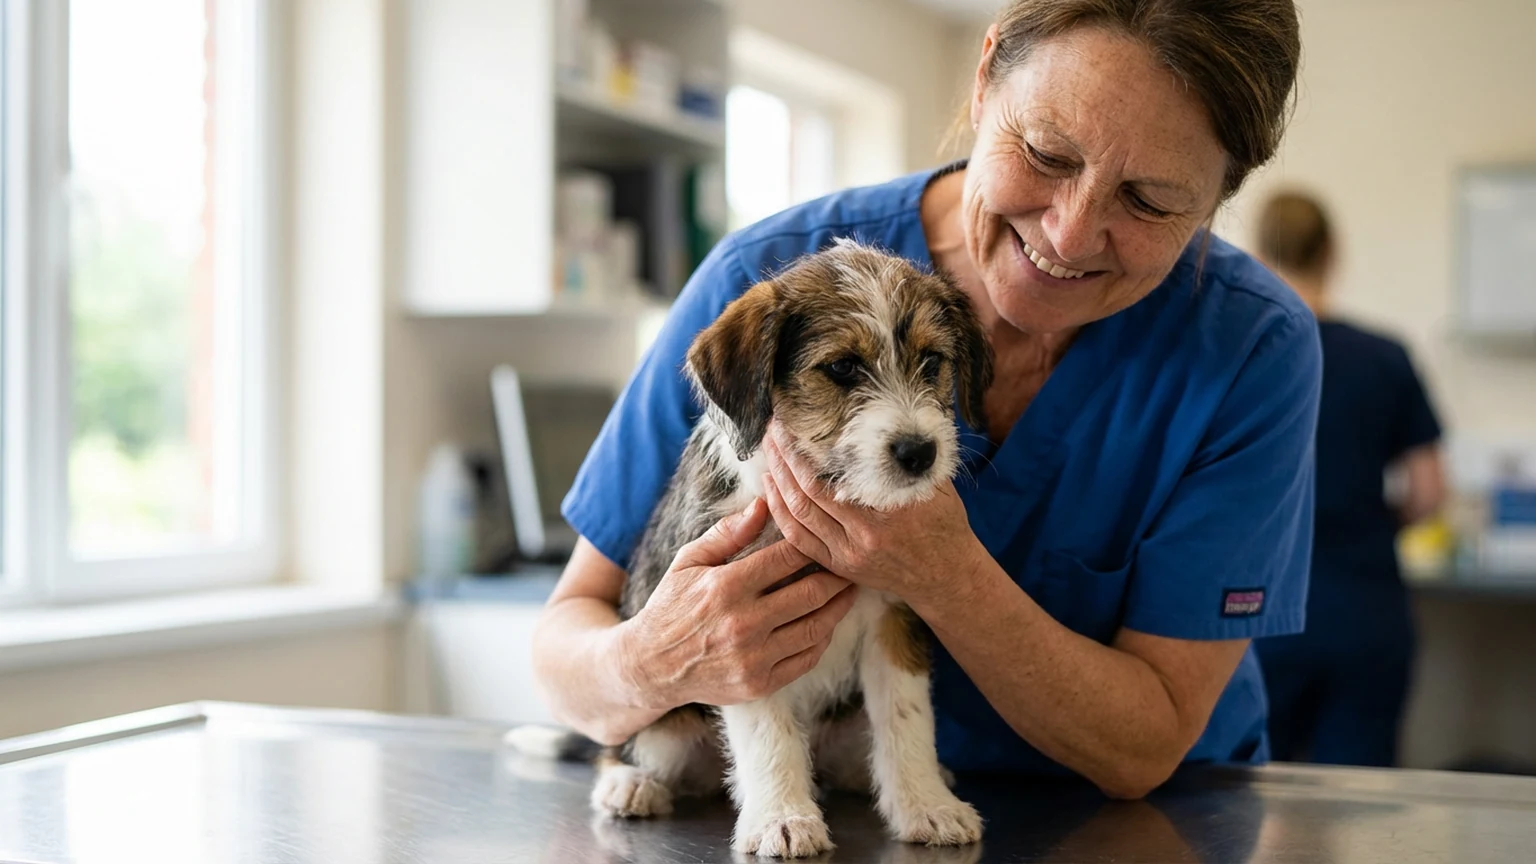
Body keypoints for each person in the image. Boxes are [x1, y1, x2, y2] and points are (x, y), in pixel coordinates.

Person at [533, 0, 1318, 800]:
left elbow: (1146, 745)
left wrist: (947, 575)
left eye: (1149, 200)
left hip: (1150, 828)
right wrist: (660, 661)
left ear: (1221, 195)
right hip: (834, 812)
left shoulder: (1250, 349)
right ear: (984, 82)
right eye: (1046, 153)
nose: (1070, 234)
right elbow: (567, 659)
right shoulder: (763, 281)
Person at [1251, 191, 1446, 767]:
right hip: (1365, 611)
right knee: (1362, 797)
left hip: (1262, 615)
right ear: (1331, 252)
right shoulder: (1384, 356)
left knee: (1254, 805)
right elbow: (1429, 491)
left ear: (1259, 253)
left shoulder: (1248, 356)